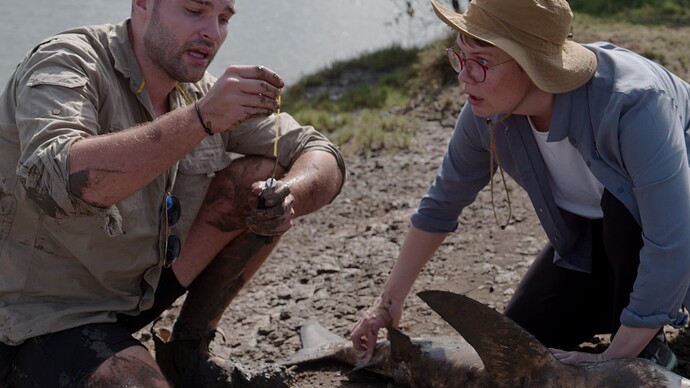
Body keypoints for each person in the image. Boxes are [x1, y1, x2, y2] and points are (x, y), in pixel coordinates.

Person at [0, 0, 345, 386]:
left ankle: (188, 351)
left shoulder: (195, 89)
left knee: (264, 173)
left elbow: (320, 151)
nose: (213, 33)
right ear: (143, 4)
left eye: (224, 18)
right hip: (33, 315)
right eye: (194, 10)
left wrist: (288, 195)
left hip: (129, 297)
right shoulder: (66, 61)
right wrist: (199, 120)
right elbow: (57, 182)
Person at [351, 0, 690, 371]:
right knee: (515, 346)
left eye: (480, 62)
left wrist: (614, 359)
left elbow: (673, 238)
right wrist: (386, 304)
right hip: (597, 239)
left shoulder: (633, 104)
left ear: (534, 63)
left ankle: (647, 350)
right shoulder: (486, 112)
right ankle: (626, 317)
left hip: (674, 230)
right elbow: (441, 204)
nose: (463, 76)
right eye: (459, 57)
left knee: (621, 210)